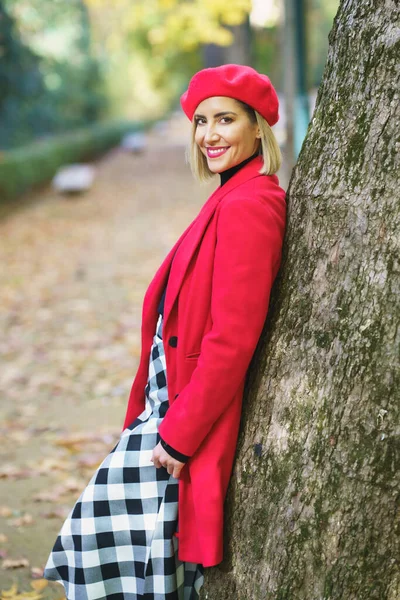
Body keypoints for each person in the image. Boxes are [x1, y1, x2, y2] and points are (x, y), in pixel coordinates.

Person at [43, 63, 287, 600]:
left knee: (108, 555)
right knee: (117, 561)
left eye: (225, 120)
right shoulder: (229, 196)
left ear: (256, 128)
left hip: (180, 426)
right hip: (165, 412)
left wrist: (179, 434)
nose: (209, 135)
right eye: (201, 122)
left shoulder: (251, 205)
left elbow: (233, 339)